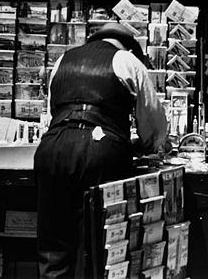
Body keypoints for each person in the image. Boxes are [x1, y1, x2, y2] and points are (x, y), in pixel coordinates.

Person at [34, 21, 168, 278]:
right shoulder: (127, 61)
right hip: (100, 151)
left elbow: (54, 110)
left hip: (53, 148)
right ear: (128, 47)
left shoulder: (64, 60)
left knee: (53, 249)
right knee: (99, 245)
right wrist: (147, 145)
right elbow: (153, 126)